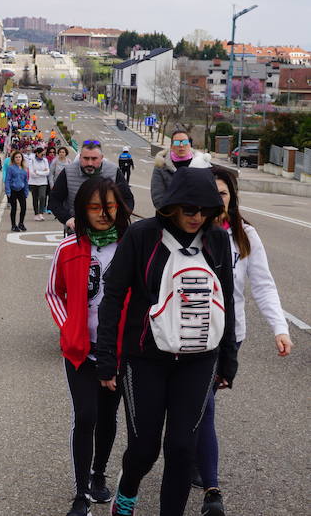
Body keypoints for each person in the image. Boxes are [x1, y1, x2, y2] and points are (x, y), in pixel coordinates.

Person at [95, 167, 238, 516]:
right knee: (144, 449)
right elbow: (113, 295)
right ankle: (127, 492)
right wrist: (107, 357)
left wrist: (228, 358)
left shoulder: (216, 240)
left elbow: (228, 300)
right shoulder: (143, 236)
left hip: (199, 358)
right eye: (190, 209)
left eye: (205, 210)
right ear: (172, 206)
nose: (197, 217)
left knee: (182, 448)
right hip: (145, 357)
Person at [194, 167, 294, 516]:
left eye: (224, 194)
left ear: (232, 197)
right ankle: (211, 489)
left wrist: (279, 328)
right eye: (212, 192)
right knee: (200, 408)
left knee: (204, 405)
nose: (217, 199)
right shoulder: (186, 231)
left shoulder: (244, 234)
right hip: (186, 335)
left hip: (227, 337)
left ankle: (203, 471)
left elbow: (263, 285)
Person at [46, 177, 131, 516]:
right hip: (81, 349)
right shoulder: (68, 248)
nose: (102, 214)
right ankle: (81, 492)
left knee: (108, 415)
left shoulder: (131, 246)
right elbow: (54, 292)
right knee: (85, 416)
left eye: (109, 208)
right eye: (94, 208)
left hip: (120, 350)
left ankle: (99, 473)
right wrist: (68, 326)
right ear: (82, 210)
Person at [48, 141, 134, 233]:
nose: (90, 163)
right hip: (77, 230)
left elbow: (128, 199)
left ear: (101, 158)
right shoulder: (68, 172)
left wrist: (119, 218)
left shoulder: (114, 171)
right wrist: (67, 219)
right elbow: (54, 200)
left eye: (94, 159)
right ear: (80, 157)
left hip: (108, 230)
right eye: (86, 158)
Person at [150, 130, 212, 209]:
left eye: (185, 142)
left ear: (189, 144)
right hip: (170, 215)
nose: (181, 145)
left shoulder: (201, 163)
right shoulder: (161, 166)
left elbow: (209, 192)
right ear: (171, 146)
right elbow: (158, 198)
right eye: (177, 143)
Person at [4, 150, 29, 232]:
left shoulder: (24, 168)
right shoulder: (10, 168)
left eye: (19, 157)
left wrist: (26, 191)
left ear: (22, 158)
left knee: (24, 207)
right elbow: (7, 180)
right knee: (14, 208)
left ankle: (21, 223)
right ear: (13, 159)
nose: (18, 158)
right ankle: (13, 225)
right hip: (13, 190)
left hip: (21, 190)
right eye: (16, 157)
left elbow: (25, 181)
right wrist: (8, 191)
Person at [29, 147, 51, 221]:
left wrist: (38, 172)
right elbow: (32, 173)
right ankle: (36, 214)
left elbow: (47, 172)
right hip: (33, 182)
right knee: (35, 198)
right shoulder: (31, 160)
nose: (43, 155)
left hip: (43, 182)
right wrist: (42, 172)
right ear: (37, 153)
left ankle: (41, 213)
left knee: (42, 197)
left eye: (44, 154)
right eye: (42, 154)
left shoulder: (45, 160)